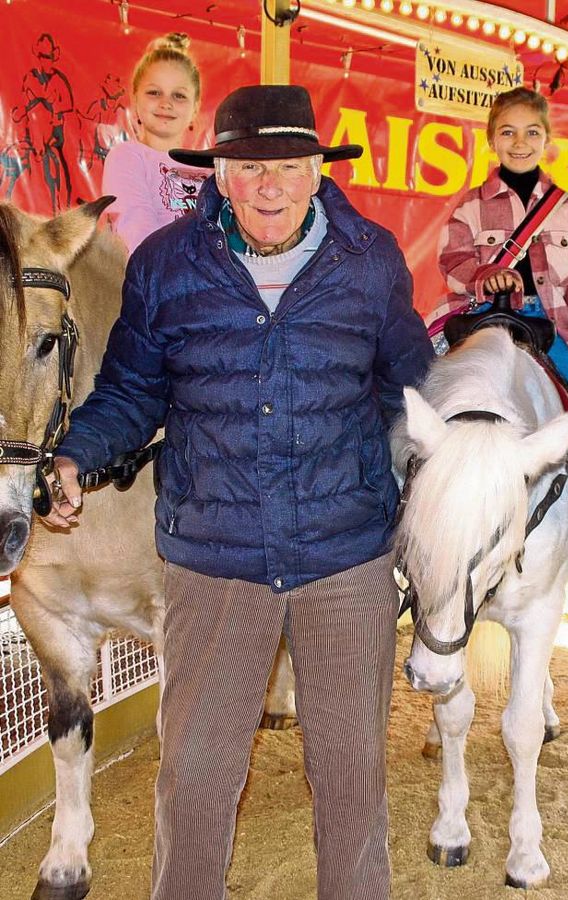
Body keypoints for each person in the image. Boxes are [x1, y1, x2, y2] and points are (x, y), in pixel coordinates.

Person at [44, 84, 435, 900]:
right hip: (215, 561)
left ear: (317, 172)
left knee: (352, 779)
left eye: (290, 167)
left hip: (345, 557)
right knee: (194, 779)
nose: (271, 186)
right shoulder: (166, 267)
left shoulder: (371, 261)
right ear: (217, 172)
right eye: (249, 168)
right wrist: (78, 454)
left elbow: (413, 388)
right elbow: (128, 393)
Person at [434, 86, 568, 441]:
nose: (520, 143)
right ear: (491, 139)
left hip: (547, 323)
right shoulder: (470, 206)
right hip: (485, 315)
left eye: (532, 132)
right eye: (508, 132)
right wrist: (485, 275)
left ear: (547, 139)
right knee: (414, 398)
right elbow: (452, 260)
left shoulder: (567, 211)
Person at [102, 32, 209, 253]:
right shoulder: (126, 157)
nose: (166, 103)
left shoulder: (212, 170)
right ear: (135, 99)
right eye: (154, 92)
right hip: (152, 281)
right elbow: (137, 240)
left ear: (196, 107)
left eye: (178, 96)